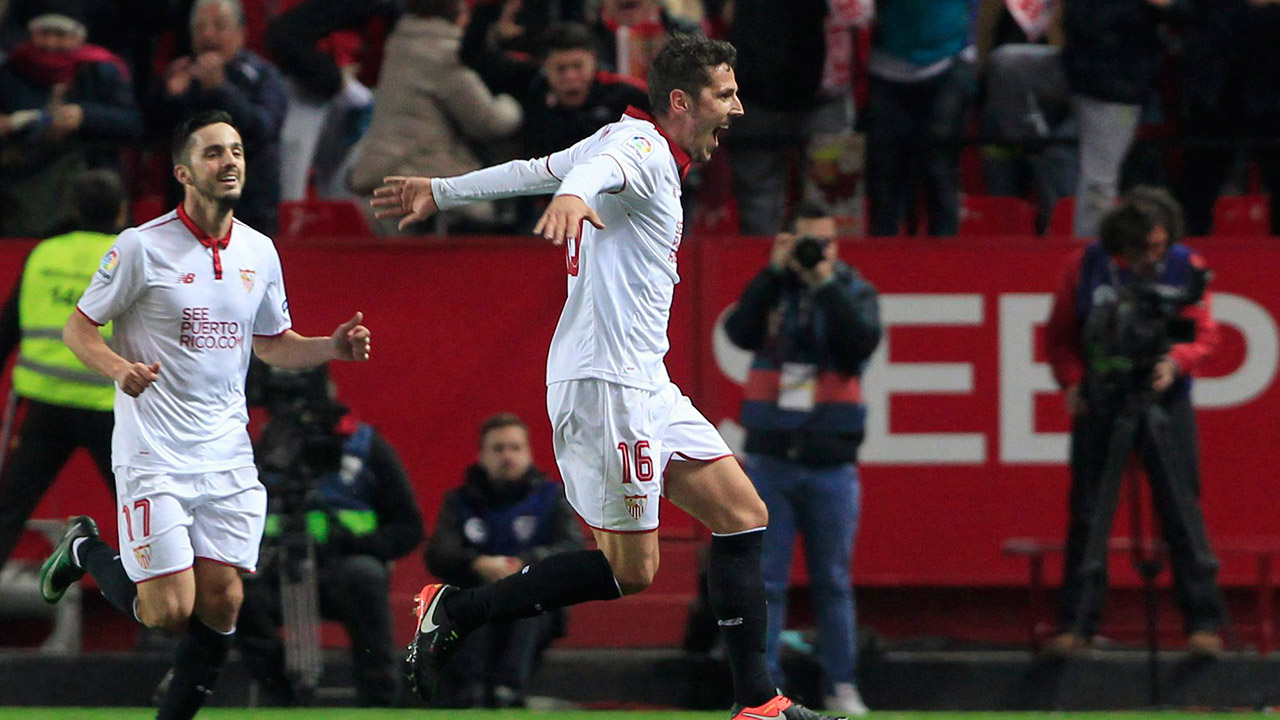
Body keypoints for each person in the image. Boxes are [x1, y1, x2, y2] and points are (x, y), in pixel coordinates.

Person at [373, 34, 848, 720]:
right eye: (726, 93)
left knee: (743, 515)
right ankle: (460, 607)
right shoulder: (643, 151)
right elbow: (576, 180)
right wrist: (571, 198)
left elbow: (535, 168)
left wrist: (442, 190)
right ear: (682, 102)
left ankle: (759, 704)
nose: (738, 109)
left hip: (642, 380)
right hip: (606, 387)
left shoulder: (618, 136)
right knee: (633, 572)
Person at [38, 109, 371, 720]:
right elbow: (77, 327)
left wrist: (331, 346)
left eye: (237, 151)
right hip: (154, 452)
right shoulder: (141, 246)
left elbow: (272, 343)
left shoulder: (260, 251)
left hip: (226, 454)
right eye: (214, 152)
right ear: (183, 172)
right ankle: (83, 548)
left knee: (223, 602)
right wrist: (119, 369)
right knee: (168, 612)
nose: (230, 162)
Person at [1044, 187, 1227, 656]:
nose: (1151, 258)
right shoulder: (1083, 266)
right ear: (1118, 245)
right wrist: (1072, 381)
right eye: (1141, 249)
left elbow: (1205, 331)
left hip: (1167, 398)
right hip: (1101, 397)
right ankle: (1077, 625)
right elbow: (1061, 336)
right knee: (1089, 511)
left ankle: (1204, 623)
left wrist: (1178, 361)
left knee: (1182, 507)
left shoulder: (1190, 266)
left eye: (1158, 248)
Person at [724, 202, 881, 716]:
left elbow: (861, 341)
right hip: (771, 458)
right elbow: (740, 332)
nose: (817, 252)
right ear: (787, 242)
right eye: (806, 242)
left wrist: (824, 281)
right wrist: (774, 271)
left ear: (838, 246)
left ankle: (842, 684)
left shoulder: (853, 290)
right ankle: (765, 693)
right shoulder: (774, 289)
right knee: (766, 580)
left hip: (830, 460)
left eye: (826, 243)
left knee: (833, 580)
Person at [235, 362, 422, 707]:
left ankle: (379, 701)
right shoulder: (265, 449)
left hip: (345, 568)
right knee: (238, 593)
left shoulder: (367, 446)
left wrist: (355, 544)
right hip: (277, 568)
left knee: (363, 575)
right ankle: (281, 699)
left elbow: (409, 527)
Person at [0, 169, 126, 571]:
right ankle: (169, 624)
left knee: (7, 512)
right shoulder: (130, 255)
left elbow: (6, 330)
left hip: (46, 409)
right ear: (121, 212)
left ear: (71, 209)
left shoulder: (44, 254)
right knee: (144, 518)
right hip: (110, 411)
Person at [425, 413, 585, 708]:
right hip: (473, 599)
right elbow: (438, 554)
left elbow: (572, 548)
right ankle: (470, 692)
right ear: (481, 456)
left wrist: (521, 564)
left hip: (533, 603)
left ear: (529, 453)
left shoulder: (551, 499)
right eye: (498, 449)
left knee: (529, 603)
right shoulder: (459, 502)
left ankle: (507, 691)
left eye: (515, 448)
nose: (507, 456)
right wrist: (477, 563)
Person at [348, 0, 522, 234]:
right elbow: (488, 121)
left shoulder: (402, 40)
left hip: (382, 169)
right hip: (421, 172)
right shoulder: (443, 51)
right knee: (486, 214)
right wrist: (514, 102)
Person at [0, 0, 141, 238]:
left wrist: (85, 116)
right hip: (24, 184)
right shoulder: (13, 70)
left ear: (78, 37)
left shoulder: (103, 70)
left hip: (90, 179)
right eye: (43, 33)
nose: (51, 43)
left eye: (61, 35)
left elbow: (133, 123)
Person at [149, 0, 287, 235]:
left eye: (219, 26)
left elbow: (263, 129)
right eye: (200, 28)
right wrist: (169, 98)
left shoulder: (262, 76)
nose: (208, 34)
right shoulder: (181, 77)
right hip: (187, 210)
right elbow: (153, 137)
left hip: (249, 209)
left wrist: (220, 90)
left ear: (240, 33)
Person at [459, 9, 649, 159]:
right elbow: (474, 55)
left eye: (578, 66)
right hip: (540, 199)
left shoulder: (625, 95)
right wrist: (487, 7)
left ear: (593, 63)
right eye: (560, 68)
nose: (570, 76)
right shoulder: (529, 83)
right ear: (545, 66)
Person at [865, 0, 976, 236]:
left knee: (939, 169)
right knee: (885, 174)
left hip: (949, 61)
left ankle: (945, 262)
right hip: (887, 66)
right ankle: (881, 261)